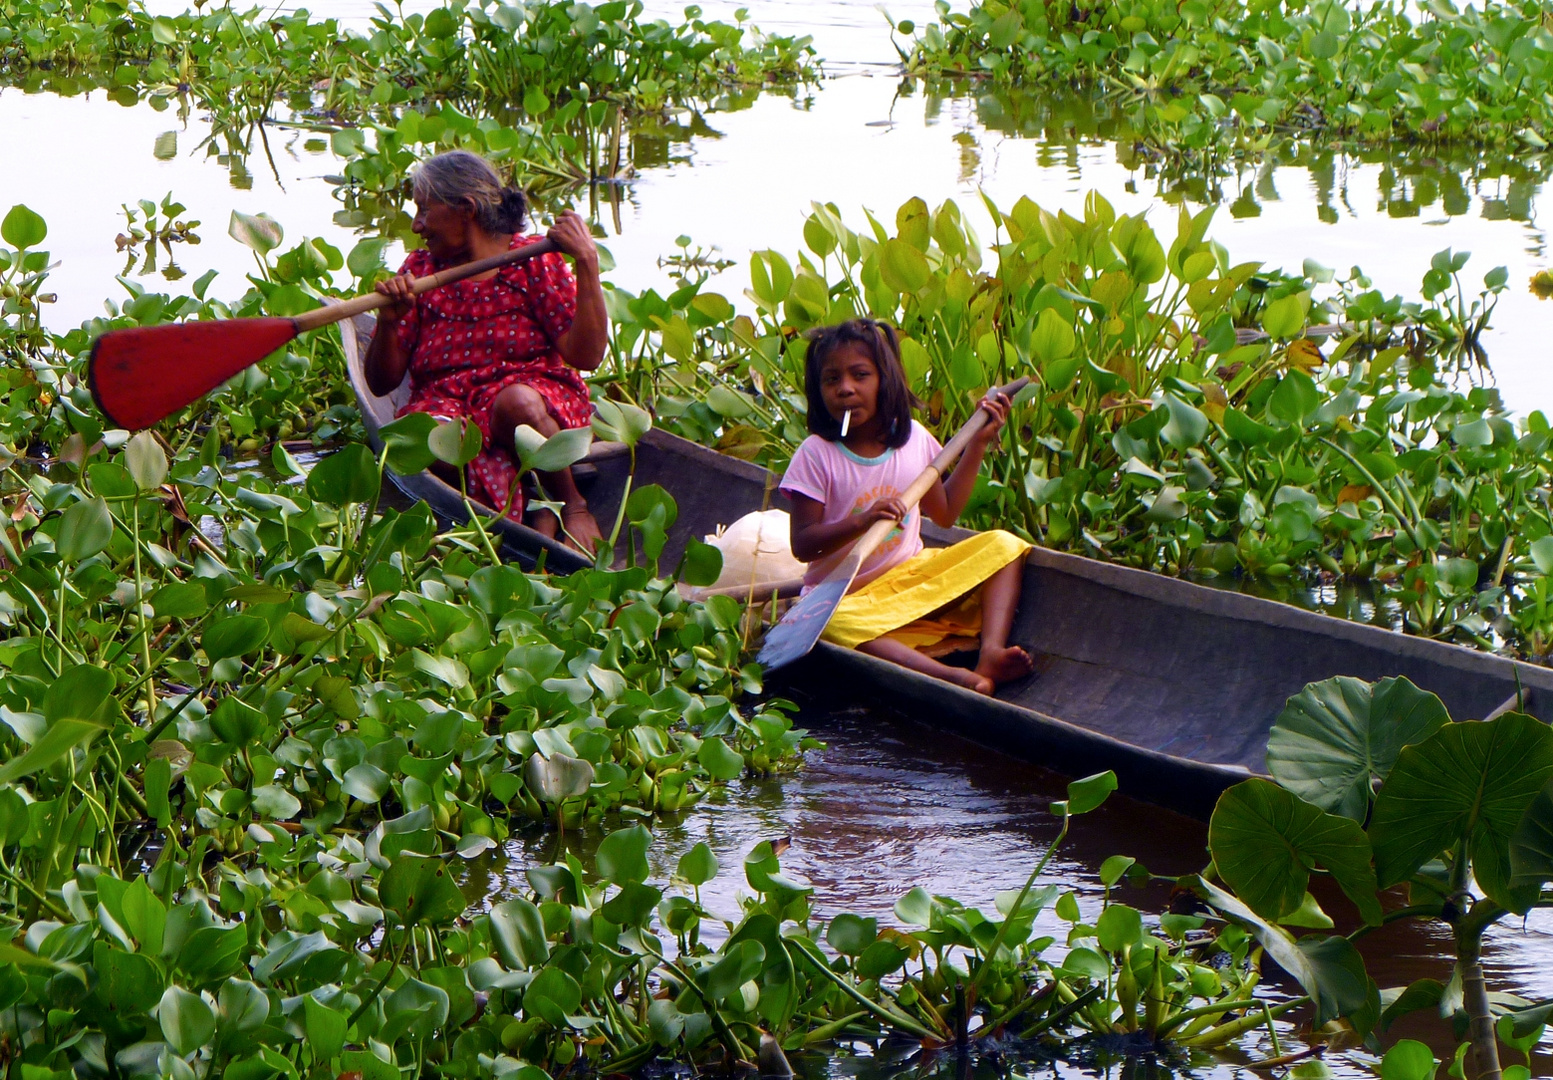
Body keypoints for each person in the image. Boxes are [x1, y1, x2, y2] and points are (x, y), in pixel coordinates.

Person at [363, 149, 606, 550]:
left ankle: (570, 503)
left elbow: (587, 357)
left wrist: (587, 261)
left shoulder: (532, 262)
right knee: (425, 440)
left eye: (424, 210)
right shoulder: (421, 272)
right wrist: (389, 322)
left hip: (533, 399)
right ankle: (524, 490)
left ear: (466, 209)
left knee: (516, 405)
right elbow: (381, 383)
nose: (417, 225)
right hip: (449, 405)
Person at [779, 319, 1034, 696]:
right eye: (831, 380)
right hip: (846, 594)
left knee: (1004, 545)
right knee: (830, 625)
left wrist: (977, 445)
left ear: (885, 380)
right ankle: (946, 677)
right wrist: (862, 522)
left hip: (910, 578)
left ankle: (991, 652)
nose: (846, 389)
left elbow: (945, 515)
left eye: (860, 375)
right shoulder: (816, 455)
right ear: (819, 392)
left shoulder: (913, 439)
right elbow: (804, 546)